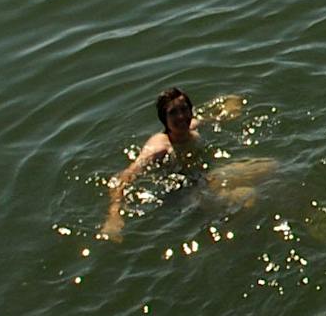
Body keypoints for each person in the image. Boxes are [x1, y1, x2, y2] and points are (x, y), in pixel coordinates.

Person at [101, 87, 254, 239]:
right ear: (164, 119)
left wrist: (232, 105)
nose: (181, 116)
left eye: (184, 109)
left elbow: (217, 117)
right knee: (247, 196)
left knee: (269, 166)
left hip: (204, 180)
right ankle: (234, 236)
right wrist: (113, 216)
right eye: (173, 113)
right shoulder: (158, 148)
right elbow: (123, 178)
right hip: (183, 195)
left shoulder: (192, 128)